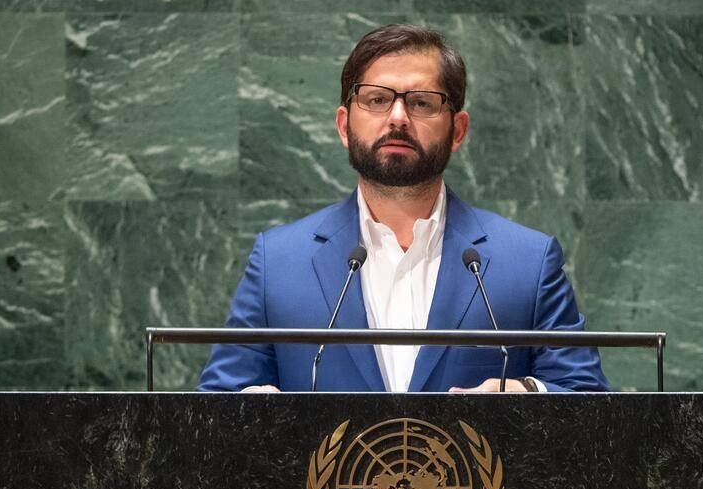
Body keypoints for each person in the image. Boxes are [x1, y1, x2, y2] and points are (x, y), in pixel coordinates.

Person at [197, 24, 609, 393]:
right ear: (344, 126)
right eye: (376, 99)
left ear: (458, 130)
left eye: (422, 103)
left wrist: (529, 394)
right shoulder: (278, 263)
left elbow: (587, 397)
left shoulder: (528, 262)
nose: (397, 117)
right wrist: (246, 411)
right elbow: (216, 403)